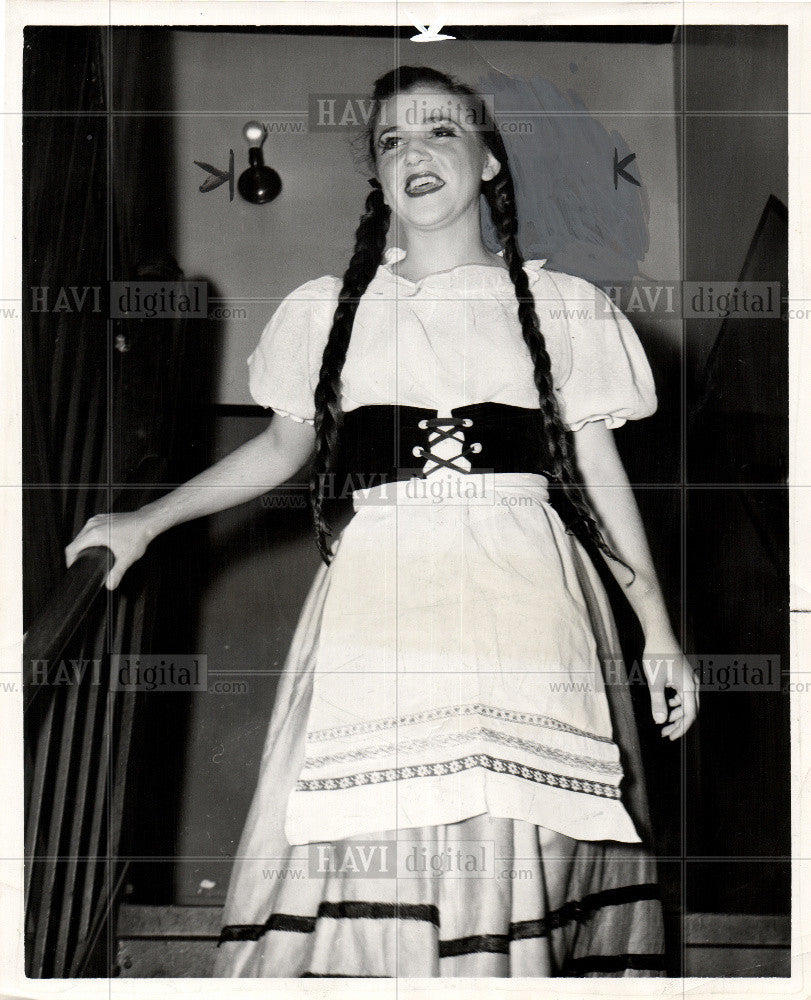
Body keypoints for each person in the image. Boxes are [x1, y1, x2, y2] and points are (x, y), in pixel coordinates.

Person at [66, 65, 698, 978]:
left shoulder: (566, 309)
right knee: (369, 818)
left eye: (441, 131)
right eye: (393, 139)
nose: (415, 151)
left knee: (510, 836)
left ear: (487, 163)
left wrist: (659, 635)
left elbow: (599, 479)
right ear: (377, 175)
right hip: (380, 599)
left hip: (527, 602)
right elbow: (280, 451)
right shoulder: (328, 311)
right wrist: (145, 523)